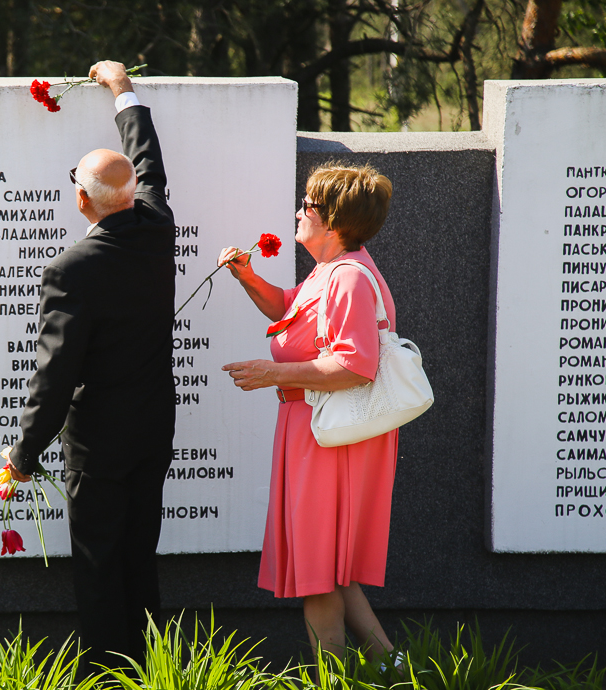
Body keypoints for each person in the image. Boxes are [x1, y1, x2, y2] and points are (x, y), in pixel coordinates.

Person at [4, 60, 176, 669]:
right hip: (154, 429)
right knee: (139, 555)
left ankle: (107, 676)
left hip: (100, 443)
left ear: (82, 199)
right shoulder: (158, 227)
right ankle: (152, 672)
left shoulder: (72, 269)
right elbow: (147, 159)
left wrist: (24, 455)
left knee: (101, 564)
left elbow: (55, 372)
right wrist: (122, 88)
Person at [219, 163, 399, 662]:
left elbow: (354, 365)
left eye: (309, 206)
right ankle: (392, 668)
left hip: (329, 437)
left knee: (318, 575)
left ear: (335, 221)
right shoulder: (331, 271)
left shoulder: (346, 280)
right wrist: (246, 275)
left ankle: (338, 677)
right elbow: (287, 309)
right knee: (332, 570)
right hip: (320, 431)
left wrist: (272, 374)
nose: (299, 212)